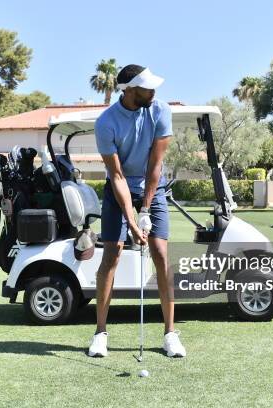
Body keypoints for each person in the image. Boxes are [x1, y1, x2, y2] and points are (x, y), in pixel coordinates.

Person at [88, 65, 186, 358]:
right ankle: (100, 334)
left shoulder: (160, 110)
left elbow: (155, 166)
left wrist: (145, 207)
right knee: (112, 254)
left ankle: (170, 334)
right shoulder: (106, 122)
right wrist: (131, 221)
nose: (153, 92)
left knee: (160, 252)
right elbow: (116, 176)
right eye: (146, 87)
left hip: (152, 187)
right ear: (129, 90)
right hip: (118, 188)